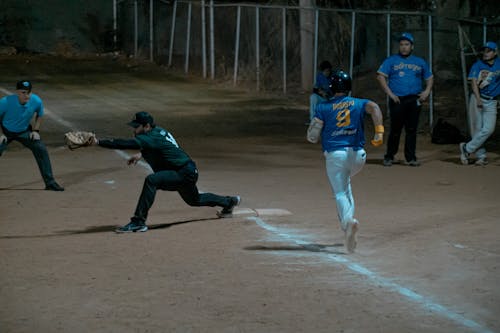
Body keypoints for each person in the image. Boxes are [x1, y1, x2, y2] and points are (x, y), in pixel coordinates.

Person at [92, 111, 241, 233]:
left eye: (137, 127)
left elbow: (123, 143)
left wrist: (98, 142)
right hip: (186, 170)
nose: (134, 129)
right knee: (194, 200)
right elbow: (163, 148)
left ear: (147, 126)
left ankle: (138, 222)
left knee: (152, 180)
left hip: (183, 172)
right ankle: (229, 202)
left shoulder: (150, 137)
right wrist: (141, 154)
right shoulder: (157, 132)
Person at [307, 70, 384, 253]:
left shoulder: (323, 107)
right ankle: (347, 225)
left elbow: (312, 136)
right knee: (346, 184)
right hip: (358, 156)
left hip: (336, 155)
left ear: (331, 88)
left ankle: (348, 222)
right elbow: (374, 107)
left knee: (340, 192)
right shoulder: (358, 103)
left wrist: (315, 130)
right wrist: (379, 131)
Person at [377, 32, 433, 167]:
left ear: (412, 46)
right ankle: (389, 156)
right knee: (395, 129)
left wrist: (427, 91)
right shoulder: (391, 60)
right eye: (401, 44)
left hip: (414, 99)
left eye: (407, 44)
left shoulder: (419, 62)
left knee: (411, 130)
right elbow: (380, 76)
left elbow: (430, 77)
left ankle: (411, 158)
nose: (404, 47)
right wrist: (390, 94)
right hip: (397, 99)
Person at [0, 80, 64, 191]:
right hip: (6, 131)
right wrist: (1, 134)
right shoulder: (5, 102)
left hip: (24, 131)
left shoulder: (36, 100)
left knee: (41, 149)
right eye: (23, 92)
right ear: (17, 92)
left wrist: (36, 131)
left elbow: (39, 114)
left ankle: (50, 183)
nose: (27, 95)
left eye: (28, 92)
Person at [460, 41, 499, 166]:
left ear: (495, 52)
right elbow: (474, 83)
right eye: (484, 50)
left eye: (489, 51)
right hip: (478, 99)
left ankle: (466, 148)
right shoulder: (477, 65)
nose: (485, 53)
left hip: (492, 101)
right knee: (477, 128)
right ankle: (481, 156)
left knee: (488, 129)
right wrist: (478, 99)